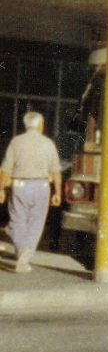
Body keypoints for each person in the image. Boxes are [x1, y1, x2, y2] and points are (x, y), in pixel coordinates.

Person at [0, 112, 62, 273]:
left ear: (26, 125)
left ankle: (21, 248)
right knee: (36, 223)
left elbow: (6, 169)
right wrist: (58, 193)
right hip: (41, 187)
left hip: (20, 186)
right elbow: (56, 171)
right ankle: (25, 256)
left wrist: (0, 189)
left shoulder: (16, 142)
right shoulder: (48, 143)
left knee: (17, 221)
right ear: (40, 125)